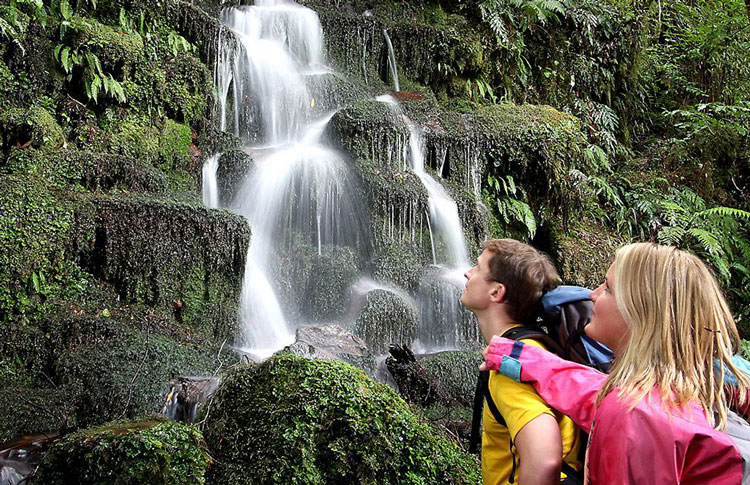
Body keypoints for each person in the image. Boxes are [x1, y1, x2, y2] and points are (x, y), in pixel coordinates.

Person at [481, 242, 749, 483]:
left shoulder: (635, 417)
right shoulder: (678, 392)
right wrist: (525, 359)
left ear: (640, 314)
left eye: (608, 289)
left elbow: (623, 413)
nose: (592, 295)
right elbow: (598, 396)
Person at [461, 238, 582, 484]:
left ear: (496, 292)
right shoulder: (534, 349)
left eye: (477, 268)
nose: (467, 273)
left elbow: (544, 460)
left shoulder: (512, 365)